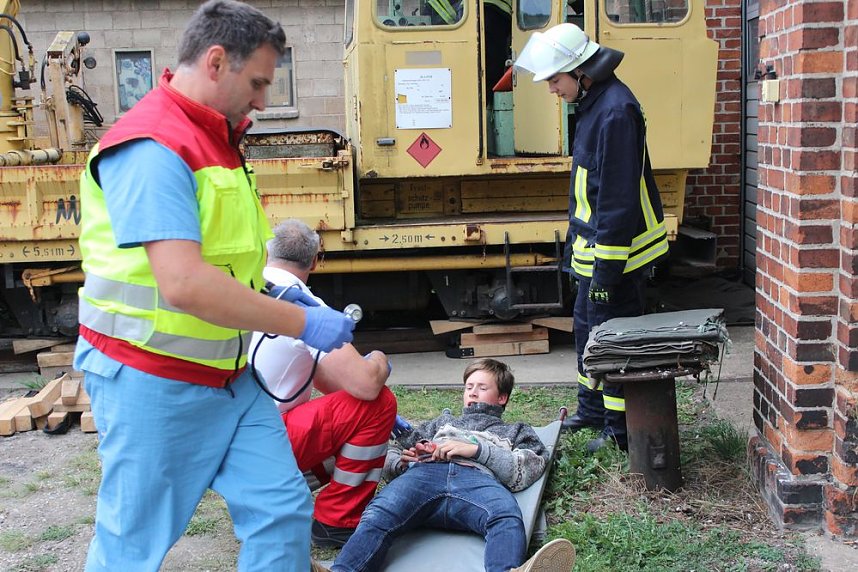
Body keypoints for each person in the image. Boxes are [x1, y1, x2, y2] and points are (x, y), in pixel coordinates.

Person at [74, 2, 356, 570]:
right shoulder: (152, 145)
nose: (264, 101)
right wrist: (303, 321)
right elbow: (184, 283)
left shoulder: (214, 139)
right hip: (152, 380)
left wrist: (272, 295)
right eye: (258, 83)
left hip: (230, 379)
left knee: (281, 511)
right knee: (133, 546)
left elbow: (223, 261)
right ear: (216, 61)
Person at [514, 23, 670, 452]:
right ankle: (592, 411)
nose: (551, 89)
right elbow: (590, 194)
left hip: (619, 257)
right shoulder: (594, 104)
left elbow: (617, 201)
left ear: (581, 71)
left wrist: (606, 275)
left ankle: (618, 432)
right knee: (587, 332)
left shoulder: (615, 111)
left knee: (612, 342)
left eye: (554, 79)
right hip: (594, 251)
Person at [329, 358, 576, 572]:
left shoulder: (516, 430)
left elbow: (527, 468)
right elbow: (390, 452)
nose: (473, 393)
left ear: (502, 398)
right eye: (469, 387)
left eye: (482, 387)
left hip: (477, 480)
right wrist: (401, 462)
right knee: (378, 513)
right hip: (423, 475)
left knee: (505, 516)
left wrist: (477, 450)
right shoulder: (442, 423)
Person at [249, 219, 397, 548]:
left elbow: (327, 379)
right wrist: (378, 360)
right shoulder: (306, 307)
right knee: (379, 404)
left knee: (351, 415)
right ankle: (337, 521)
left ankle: (273, 494)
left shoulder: (242, 290)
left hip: (230, 440)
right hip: (268, 438)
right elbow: (365, 386)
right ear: (316, 261)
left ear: (267, 252)